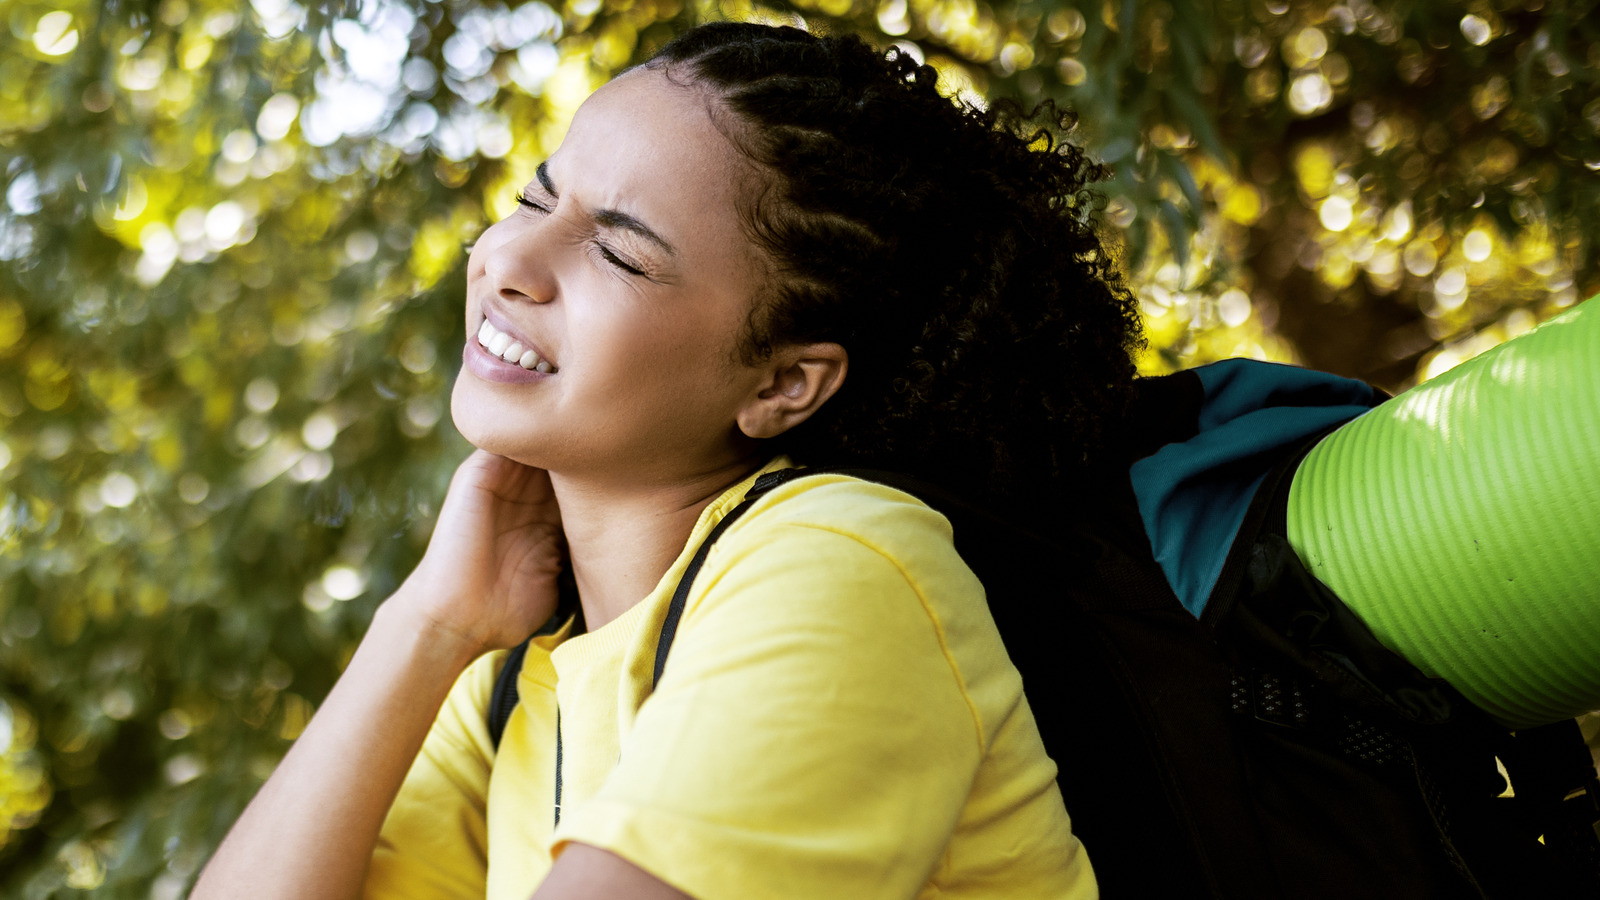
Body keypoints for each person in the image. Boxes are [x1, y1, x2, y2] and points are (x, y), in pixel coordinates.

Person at [193, 21, 1142, 900]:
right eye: (537, 195)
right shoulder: (510, 678)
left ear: (784, 384)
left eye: (618, 252)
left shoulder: (846, 565)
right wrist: (426, 625)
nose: (513, 258)